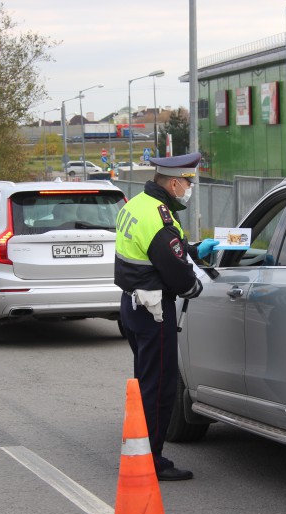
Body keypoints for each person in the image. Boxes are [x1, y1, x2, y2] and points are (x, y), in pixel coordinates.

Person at [114, 152, 205, 482]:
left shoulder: (136, 205)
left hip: (132, 306)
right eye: (188, 183)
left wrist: (192, 249)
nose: (189, 189)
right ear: (175, 181)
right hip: (154, 310)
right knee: (160, 388)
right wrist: (195, 284)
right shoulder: (159, 218)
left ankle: (139, 448)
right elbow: (179, 276)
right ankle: (150, 460)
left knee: (144, 384)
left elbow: (159, 249)